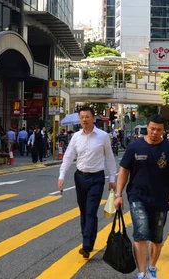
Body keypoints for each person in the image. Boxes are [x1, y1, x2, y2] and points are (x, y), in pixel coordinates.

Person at [115, 114, 169, 279]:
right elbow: (124, 171)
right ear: (148, 127)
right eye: (152, 129)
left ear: (163, 130)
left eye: (158, 130)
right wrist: (118, 195)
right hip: (137, 196)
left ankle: (152, 268)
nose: (154, 132)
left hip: (161, 198)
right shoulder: (134, 147)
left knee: (157, 237)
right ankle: (141, 273)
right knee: (141, 232)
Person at [58, 107, 116, 259]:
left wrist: (112, 179)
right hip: (80, 178)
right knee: (84, 211)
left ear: (93, 118)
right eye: (82, 117)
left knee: (91, 211)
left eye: (87, 116)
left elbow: (109, 158)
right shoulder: (76, 137)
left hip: (97, 178)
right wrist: (61, 176)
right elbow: (68, 157)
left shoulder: (103, 136)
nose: (84, 119)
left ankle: (86, 245)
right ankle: (88, 238)